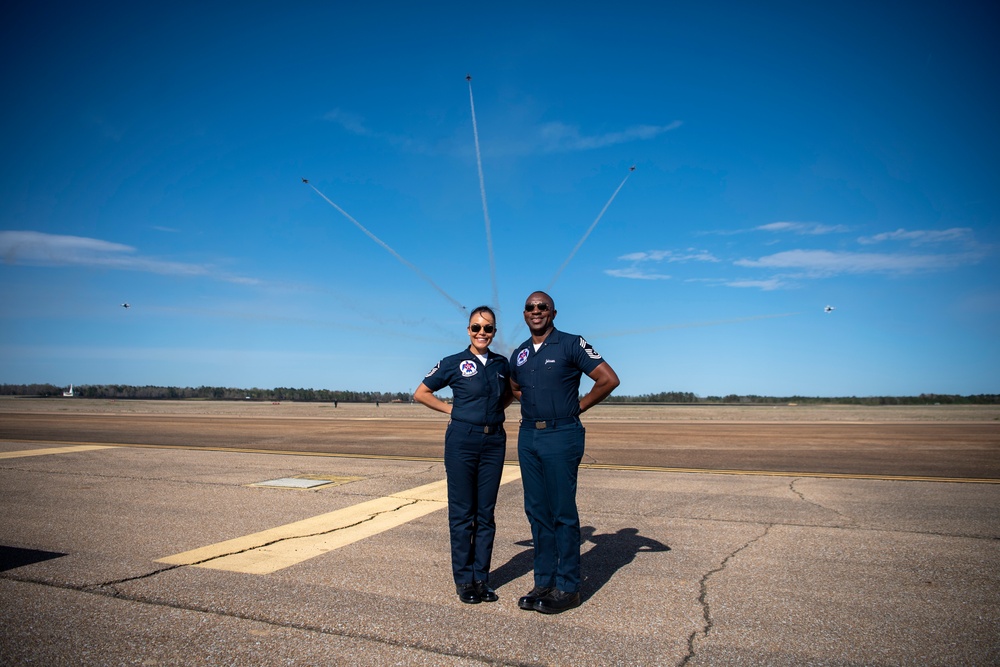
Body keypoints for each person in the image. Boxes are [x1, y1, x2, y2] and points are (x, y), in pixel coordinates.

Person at [509, 291, 620, 614]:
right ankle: (544, 580)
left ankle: (568, 586)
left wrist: (576, 408)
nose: (536, 311)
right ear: (525, 313)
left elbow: (608, 379)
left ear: (553, 312)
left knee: (561, 512)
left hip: (562, 434)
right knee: (537, 511)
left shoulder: (572, 344)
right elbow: (514, 387)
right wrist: (532, 406)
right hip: (529, 435)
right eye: (530, 307)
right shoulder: (521, 353)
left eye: (542, 307)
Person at [414, 305, 513, 604]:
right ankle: (464, 581)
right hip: (462, 441)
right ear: (468, 330)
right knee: (462, 514)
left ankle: (482, 579)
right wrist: (453, 410)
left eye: (488, 328)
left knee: (486, 513)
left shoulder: (501, 364)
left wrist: (493, 413)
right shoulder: (453, 362)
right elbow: (421, 392)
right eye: (476, 328)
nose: (482, 333)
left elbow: (509, 394)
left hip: (494, 441)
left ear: (494, 332)